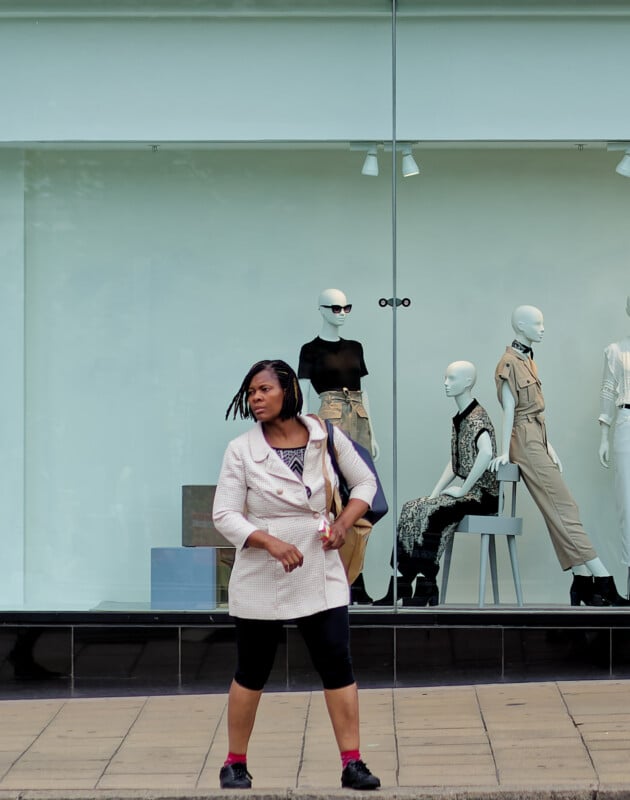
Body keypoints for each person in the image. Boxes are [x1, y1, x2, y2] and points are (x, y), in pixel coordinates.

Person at [212, 359, 381, 791]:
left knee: (336, 663)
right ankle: (234, 762)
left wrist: (343, 525)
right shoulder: (240, 450)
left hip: (319, 565)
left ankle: (353, 762)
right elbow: (224, 514)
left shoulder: (325, 435)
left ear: (288, 390)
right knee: (252, 669)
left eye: (264, 389)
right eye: (251, 392)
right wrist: (269, 542)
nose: (256, 399)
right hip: (261, 571)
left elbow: (365, 485)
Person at [491, 305, 629, 606]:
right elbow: (510, 413)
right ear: (521, 326)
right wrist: (504, 452)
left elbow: (534, 414)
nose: (542, 328)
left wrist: (548, 444)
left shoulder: (528, 360)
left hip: (536, 439)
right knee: (564, 509)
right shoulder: (509, 363)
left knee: (562, 509)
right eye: (537, 323)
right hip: (524, 442)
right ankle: (603, 581)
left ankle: (581, 581)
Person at [375, 361, 499, 606]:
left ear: (467, 382)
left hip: (483, 495)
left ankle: (426, 585)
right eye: (446, 377)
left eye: (451, 378)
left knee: (434, 513)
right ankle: (400, 581)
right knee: (412, 508)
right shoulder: (460, 418)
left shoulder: (477, 417)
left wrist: (462, 489)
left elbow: (486, 453)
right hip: (467, 492)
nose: (445, 383)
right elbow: (454, 462)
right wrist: (434, 492)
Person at [298, 288, 379, 604]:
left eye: (347, 307)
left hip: (359, 419)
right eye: (335, 307)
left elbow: (364, 391)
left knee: (363, 499)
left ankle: (356, 579)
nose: (342, 313)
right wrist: (305, 432)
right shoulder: (310, 349)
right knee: (335, 498)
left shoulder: (355, 347)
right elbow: (304, 395)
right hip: (329, 418)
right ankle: (336, 579)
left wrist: (375, 435)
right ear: (320, 309)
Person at [598, 295, 630, 597]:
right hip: (626, 421)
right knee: (628, 502)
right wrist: (604, 435)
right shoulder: (616, 350)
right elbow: (608, 391)